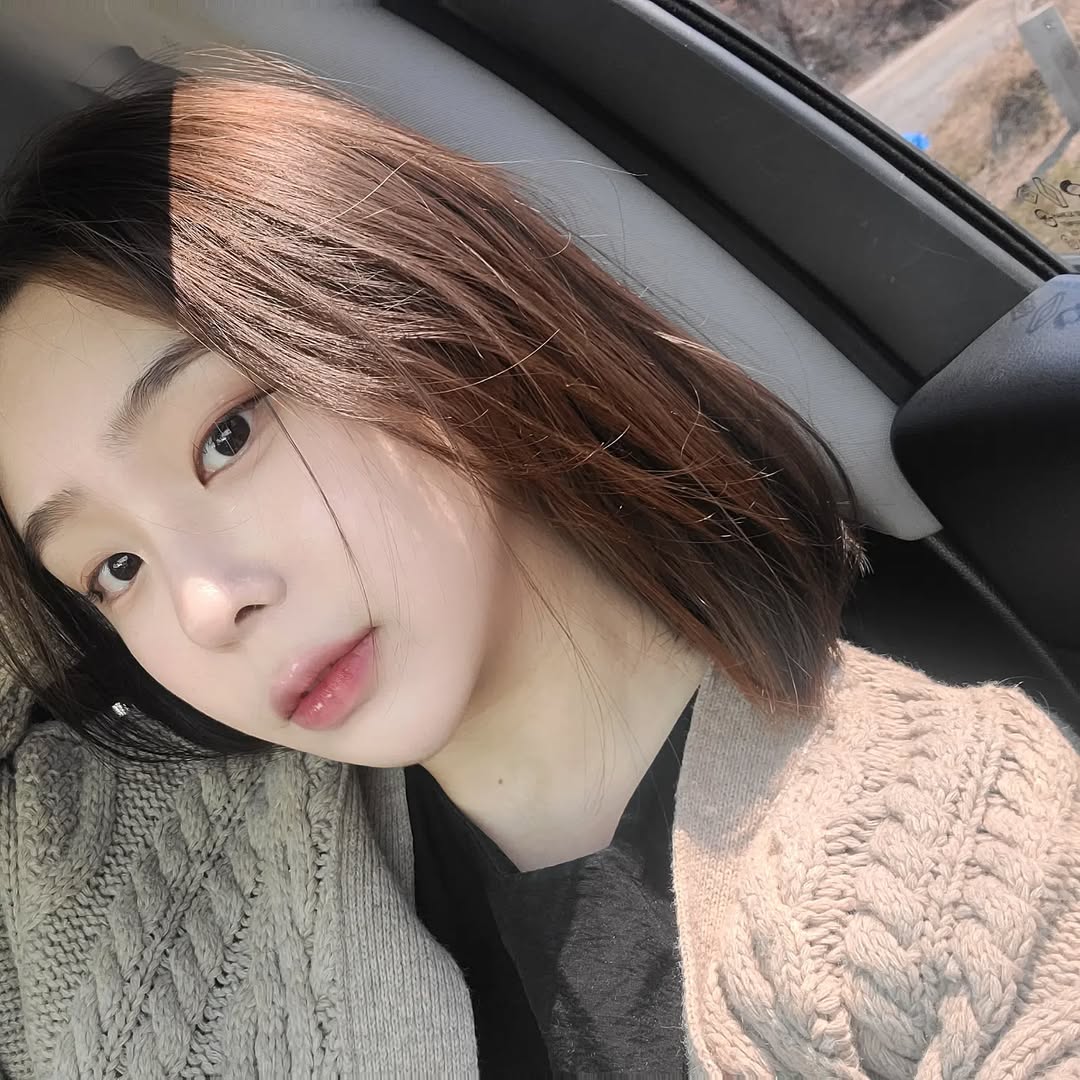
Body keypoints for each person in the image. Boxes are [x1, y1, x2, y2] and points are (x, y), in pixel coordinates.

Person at [0, 60, 1076, 1080]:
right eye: (115, 568)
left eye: (225, 438)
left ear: (408, 308)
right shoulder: (115, 877)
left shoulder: (955, 857)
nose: (206, 607)